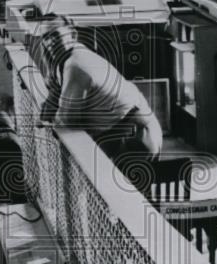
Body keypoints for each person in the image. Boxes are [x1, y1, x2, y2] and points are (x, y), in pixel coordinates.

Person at [37, 18, 163, 163]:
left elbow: (66, 121)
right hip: (130, 130)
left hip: (135, 135)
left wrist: (45, 123)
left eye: (55, 35)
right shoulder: (68, 57)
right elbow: (53, 105)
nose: (50, 42)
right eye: (45, 37)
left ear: (72, 34)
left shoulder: (76, 65)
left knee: (116, 184)